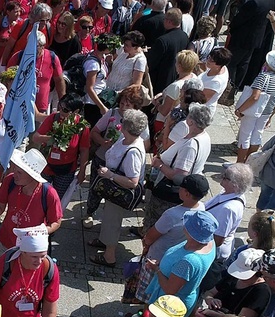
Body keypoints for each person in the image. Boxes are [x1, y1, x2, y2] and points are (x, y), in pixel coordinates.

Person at [135, 174, 209, 304]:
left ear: (186, 193)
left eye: (181, 187)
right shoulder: (201, 208)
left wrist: (146, 244)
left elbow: (151, 236)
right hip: (175, 260)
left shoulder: (172, 214)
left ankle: (143, 315)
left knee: (149, 292)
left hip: (157, 258)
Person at [88, 109, 147, 268]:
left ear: (127, 127)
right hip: (114, 189)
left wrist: (110, 175)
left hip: (119, 191)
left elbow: (133, 181)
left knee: (112, 222)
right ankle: (103, 241)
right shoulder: (127, 138)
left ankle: (109, 256)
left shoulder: (133, 151)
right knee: (108, 218)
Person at [84, 85, 150, 228]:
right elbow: (94, 131)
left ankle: (108, 221)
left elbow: (146, 143)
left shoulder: (138, 119)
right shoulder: (112, 113)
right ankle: (90, 212)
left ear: (135, 105)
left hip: (121, 166)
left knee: (113, 191)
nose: (124, 107)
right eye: (122, 103)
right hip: (102, 158)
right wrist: (103, 142)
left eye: (128, 104)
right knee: (95, 188)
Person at [143, 103, 212, 231]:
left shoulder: (190, 146)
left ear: (191, 121)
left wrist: (160, 165)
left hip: (169, 194)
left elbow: (179, 176)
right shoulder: (205, 136)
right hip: (176, 189)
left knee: (156, 227)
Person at [196, 247, 272, 317]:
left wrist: (210, 313)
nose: (240, 277)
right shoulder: (232, 277)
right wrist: (210, 300)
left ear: (259, 272)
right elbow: (210, 292)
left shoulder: (261, 291)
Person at [0, 150, 63, 258]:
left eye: (19, 173)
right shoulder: (10, 181)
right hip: (5, 241)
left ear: (32, 176)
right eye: (15, 170)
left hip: (30, 248)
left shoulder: (49, 194)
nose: (14, 175)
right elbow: (0, 207)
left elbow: (56, 222)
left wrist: (40, 232)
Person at [144, 211, 219, 314]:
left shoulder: (188, 262)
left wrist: (157, 269)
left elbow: (170, 290)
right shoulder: (209, 241)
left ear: (191, 232)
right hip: (183, 297)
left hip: (168, 305)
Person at [29, 94, 91, 200]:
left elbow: (84, 150)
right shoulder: (53, 118)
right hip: (46, 166)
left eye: (65, 110)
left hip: (66, 170)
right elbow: (36, 137)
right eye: (60, 107)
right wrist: (51, 139)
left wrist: (82, 171)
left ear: (75, 111)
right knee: (39, 197)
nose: (61, 112)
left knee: (57, 199)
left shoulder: (82, 126)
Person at [233, 51, 275, 164]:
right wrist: (271, 115)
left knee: (245, 135)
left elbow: (254, 97)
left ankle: (239, 164)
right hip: (267, 111)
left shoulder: (263, 76)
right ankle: (248, 163)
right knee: (257, 135)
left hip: (253, 111)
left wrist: (240, 110)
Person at [224, 0, 275, 100]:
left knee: (232, 63)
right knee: (244, 63)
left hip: (242, 38)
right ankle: (235, 88)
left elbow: (239, 19)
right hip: (255, 39)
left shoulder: (253, 3)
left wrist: (231, 26)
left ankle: (229, 88)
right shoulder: (270, 2)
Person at [8, 31, 66, 118]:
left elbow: (59, 80)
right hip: (18, 106)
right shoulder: (18, 57)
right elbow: (6, 80)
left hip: (41, 107)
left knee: (38, 131)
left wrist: (63, 102)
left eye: (37, 47)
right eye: (31, 45)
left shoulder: (52, 57)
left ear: (43, 46)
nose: (33, 49)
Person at [206, 163, 254, 262]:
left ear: (234, 184)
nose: (221, 176)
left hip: (212, 252)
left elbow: (218, 240)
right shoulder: (233, 194)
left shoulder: (228, 209)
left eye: (225, 177)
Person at [152, 49, 199, 139]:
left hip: (165, 122)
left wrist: (156, 103)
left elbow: (164, 111)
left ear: (180, 66)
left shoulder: (176, 86)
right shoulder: (194, 78)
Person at [146, 9, 189, 95]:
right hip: (175, 77)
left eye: (164, 19)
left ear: (169, 22)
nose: (163, 21)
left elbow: (151, 63)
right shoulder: (184, 36)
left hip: (159, 81)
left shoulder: (162, 40)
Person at [81, 33, 114, 126]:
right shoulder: (93, 64)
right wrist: (102, 107)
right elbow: (89, 88)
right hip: (92, 103)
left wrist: (110, 64)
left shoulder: (101, 56)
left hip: (99, 98)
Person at [200, 47, 232, 117]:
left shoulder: (216, 82)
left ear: (219, 64)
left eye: (211, 60)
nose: (208, 60)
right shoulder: (220, 68)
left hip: (201, 112)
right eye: (209, 57)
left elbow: (203, 100)